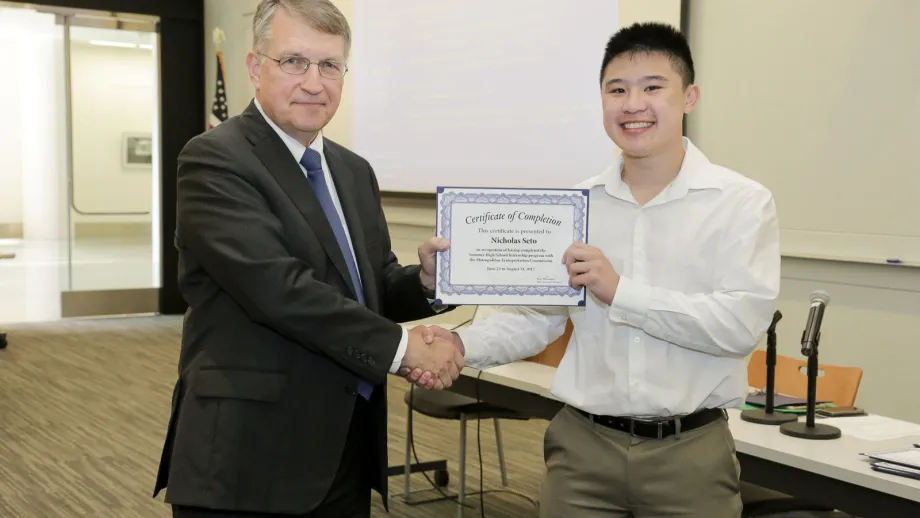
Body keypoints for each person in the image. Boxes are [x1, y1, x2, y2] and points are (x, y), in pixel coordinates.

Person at [414, 22, 780, 517]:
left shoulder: (740, 203)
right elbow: (535, 319)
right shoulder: (573, 207)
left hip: (689, 454)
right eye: (617, 89)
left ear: (689, 96)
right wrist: (460, 344)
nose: (633, 104)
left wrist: (620, 291)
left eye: (653, 87)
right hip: (582, 451)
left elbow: (737, 327)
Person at [152, 1, 463, 517]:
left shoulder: (352, 170)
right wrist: (404, 349)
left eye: (330, 65)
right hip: (248, 458)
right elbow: (278, 290)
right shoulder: (215, 159)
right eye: (294, 61)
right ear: (255, 68)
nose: (314, 82)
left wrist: (423, 283)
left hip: (344, 447)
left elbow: (370, 285)